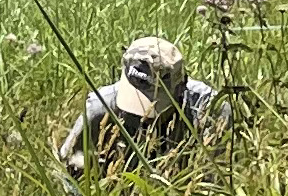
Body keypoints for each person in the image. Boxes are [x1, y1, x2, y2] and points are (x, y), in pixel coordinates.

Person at [57, 35, 219, 179]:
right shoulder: (99, 108)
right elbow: (68, 168)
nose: (142, 118)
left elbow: (216, 180)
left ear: (180, 88)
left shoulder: (209, 111)